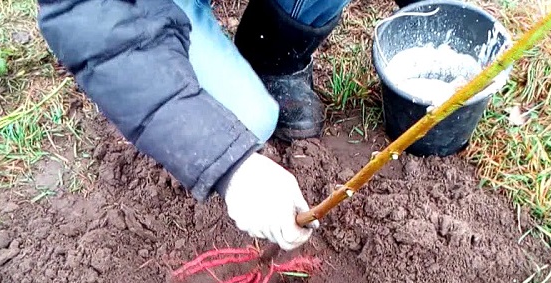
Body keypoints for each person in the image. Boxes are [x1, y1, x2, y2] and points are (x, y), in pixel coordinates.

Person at [36, 0, 411, 250]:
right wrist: (230, 166)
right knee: (250, 120)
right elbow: (99, 28)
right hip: (135, 11)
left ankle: (275, 55)